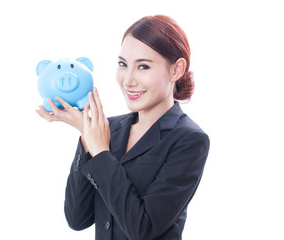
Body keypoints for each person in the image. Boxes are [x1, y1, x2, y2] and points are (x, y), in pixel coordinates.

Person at [36, 15, 210, 240]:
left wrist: (100, 152)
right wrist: (86, 137)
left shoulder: (189, 140)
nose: (128, 80)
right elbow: (77, 219)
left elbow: (143, 229)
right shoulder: (109, 129)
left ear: (176, 70)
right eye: (123, 64)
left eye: (143, 66)